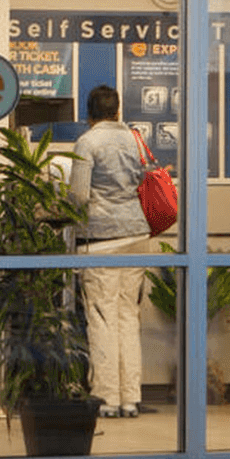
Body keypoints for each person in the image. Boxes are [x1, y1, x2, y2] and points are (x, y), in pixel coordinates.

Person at [69, 85, 153, 419]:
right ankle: (131, 397)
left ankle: (106, 397)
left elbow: (78, 196)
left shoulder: (87, 142)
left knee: (101, 318)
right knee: (127, 316)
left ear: (88, 115)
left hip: (102, 240)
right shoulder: (136, 139)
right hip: (137, 235)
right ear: (117, 111)